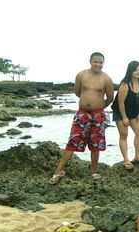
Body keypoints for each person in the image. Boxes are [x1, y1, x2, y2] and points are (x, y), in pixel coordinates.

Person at [49, 52, 114, 184]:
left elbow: (110, 98)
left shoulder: (107, 79)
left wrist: (99, 107)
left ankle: (94, 172)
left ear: (103, 63)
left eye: (101, 62)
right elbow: (78, 92)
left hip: (98, 114)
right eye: (95, 61)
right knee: (73, 141)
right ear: (90, 61)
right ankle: (58, 172)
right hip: (82, 113)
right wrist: (87, 103)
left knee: (96, 144)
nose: (98, 64)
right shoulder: (81, 75)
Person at [111, 60, 139, 171]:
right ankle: (126, 160)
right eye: (136, 70)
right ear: (130, 71)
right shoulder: (125, 84)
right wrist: (124, 117)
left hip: (133, 112)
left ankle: (137, 156)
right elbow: (120, 102)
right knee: (124, 134)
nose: (138, 72)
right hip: (120, 111)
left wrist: (138, 113)